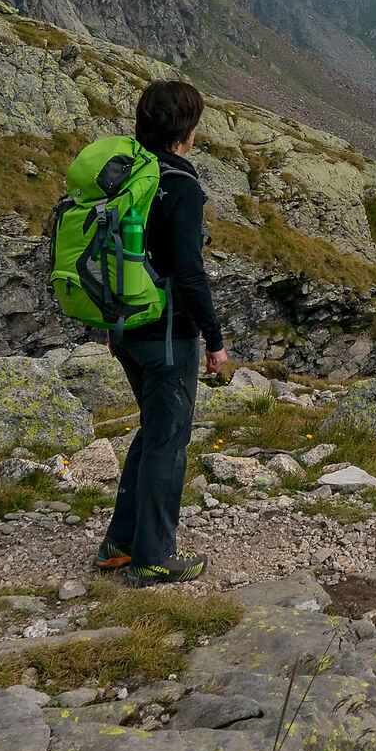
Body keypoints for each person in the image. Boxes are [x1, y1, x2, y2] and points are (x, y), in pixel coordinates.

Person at [96, 78, 228, 587]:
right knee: (168, 442)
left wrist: (113, 323)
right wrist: (213, 341)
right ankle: (153, 557)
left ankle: (119, 544)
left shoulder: (127, 177)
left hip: (126, 329)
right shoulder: (182, 185)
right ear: (187, 130)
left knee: (153, 432)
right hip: (168, 335)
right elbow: (189, 273)